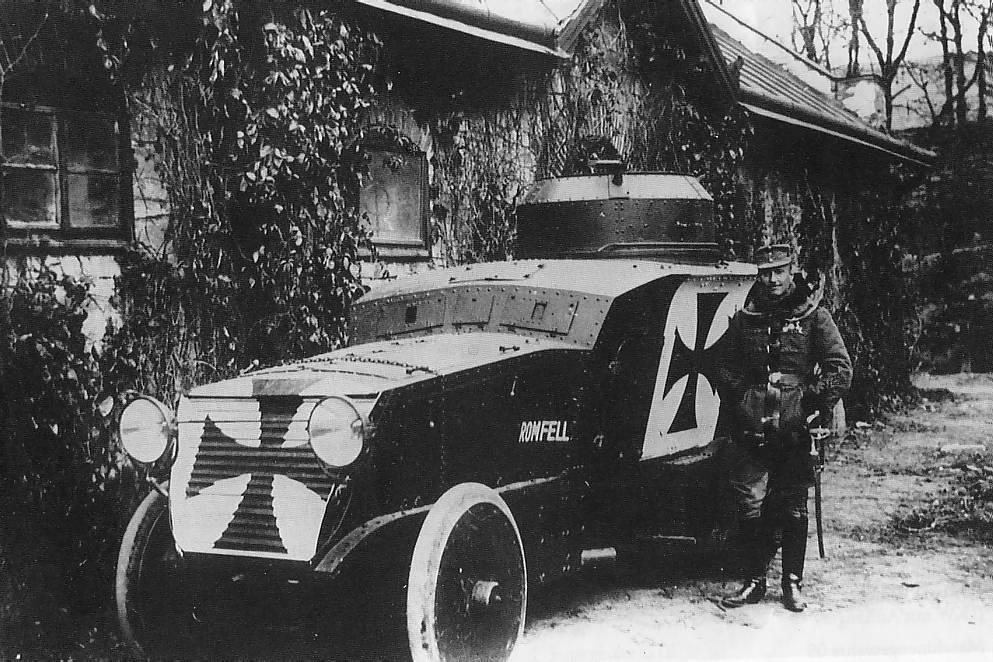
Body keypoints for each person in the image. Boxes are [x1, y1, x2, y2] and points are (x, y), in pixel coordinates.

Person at [718, 244, 852, 612]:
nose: (772, 279)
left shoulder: (813, 316)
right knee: (749, 502)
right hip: (752, 427)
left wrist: (809, 402)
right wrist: (742, 398)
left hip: (795, 427)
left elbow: (841, 369)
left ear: (791, 270)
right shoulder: (746, 318)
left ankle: (792, 582)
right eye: (765, 272)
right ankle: (753, 581)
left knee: (793, 504)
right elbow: (722, 365)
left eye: (779, 271)